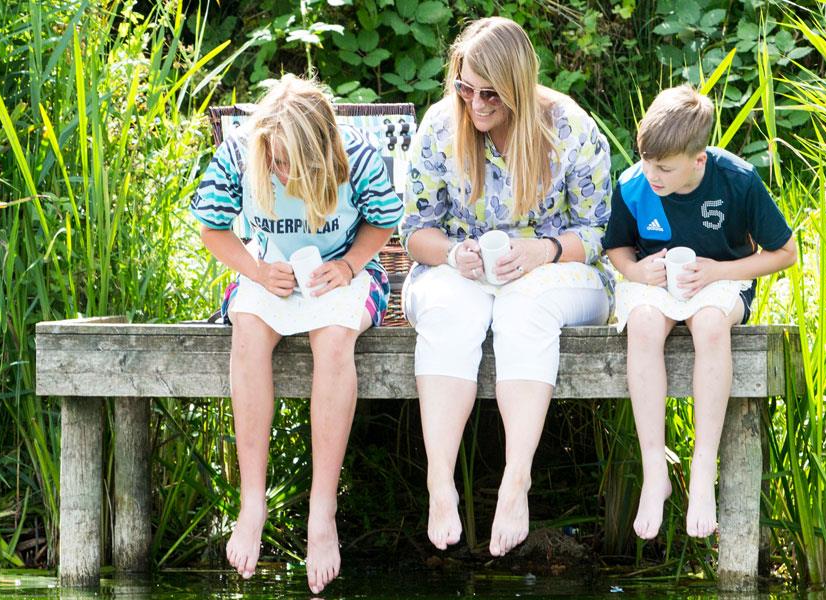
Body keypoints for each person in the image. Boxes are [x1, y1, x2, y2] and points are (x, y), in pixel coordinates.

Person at [400, 16, 613, 557]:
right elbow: (413, 232)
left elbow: (598, 232)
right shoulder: (441, 127)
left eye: (489, 93)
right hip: (462, 271)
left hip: (558, 273)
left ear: (518, 86)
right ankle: (440, 482)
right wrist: (453, 253)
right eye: (465, 89)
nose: (475, 103)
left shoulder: (569, 129)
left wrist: (543, 251)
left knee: (524, 304)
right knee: (450, 308)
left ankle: (517, 481)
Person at [190, 74, 403, 593]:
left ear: (325, 149)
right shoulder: (242, 153)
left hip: (344, 273)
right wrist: (258, 272)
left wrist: (350, 266)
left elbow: (383, 223)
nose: (283, 172)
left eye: (294, 163)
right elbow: (212, 229)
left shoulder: (358, 157)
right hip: (269, 270)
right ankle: (252, 502)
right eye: (277, 160)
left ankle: (322, 511)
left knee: (334, 337)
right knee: (247, 329)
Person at [602, 85, 797, 540]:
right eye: (647, 161)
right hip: (657, 284)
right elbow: (616, 248)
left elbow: (785, 253)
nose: (652, 174)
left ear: (698, 159)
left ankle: (703, 466)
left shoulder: (738, 180)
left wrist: (719, 271)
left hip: (722, 278)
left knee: (710, 325)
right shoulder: (634, 184)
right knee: (645, 324)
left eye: (664, 168)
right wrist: (636, 269)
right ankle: (656, 471)